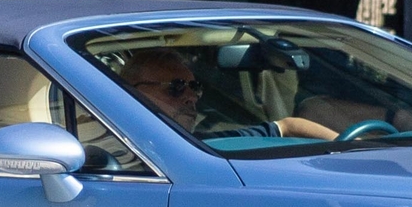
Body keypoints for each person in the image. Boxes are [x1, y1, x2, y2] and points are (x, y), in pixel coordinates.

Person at [117, 47, 337, 140]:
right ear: (134, 93)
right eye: (176, 86)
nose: (192, 97)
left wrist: (353, 146)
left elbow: (288, 126)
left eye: (194, 88)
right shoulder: (101, 155)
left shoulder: (205, 146)